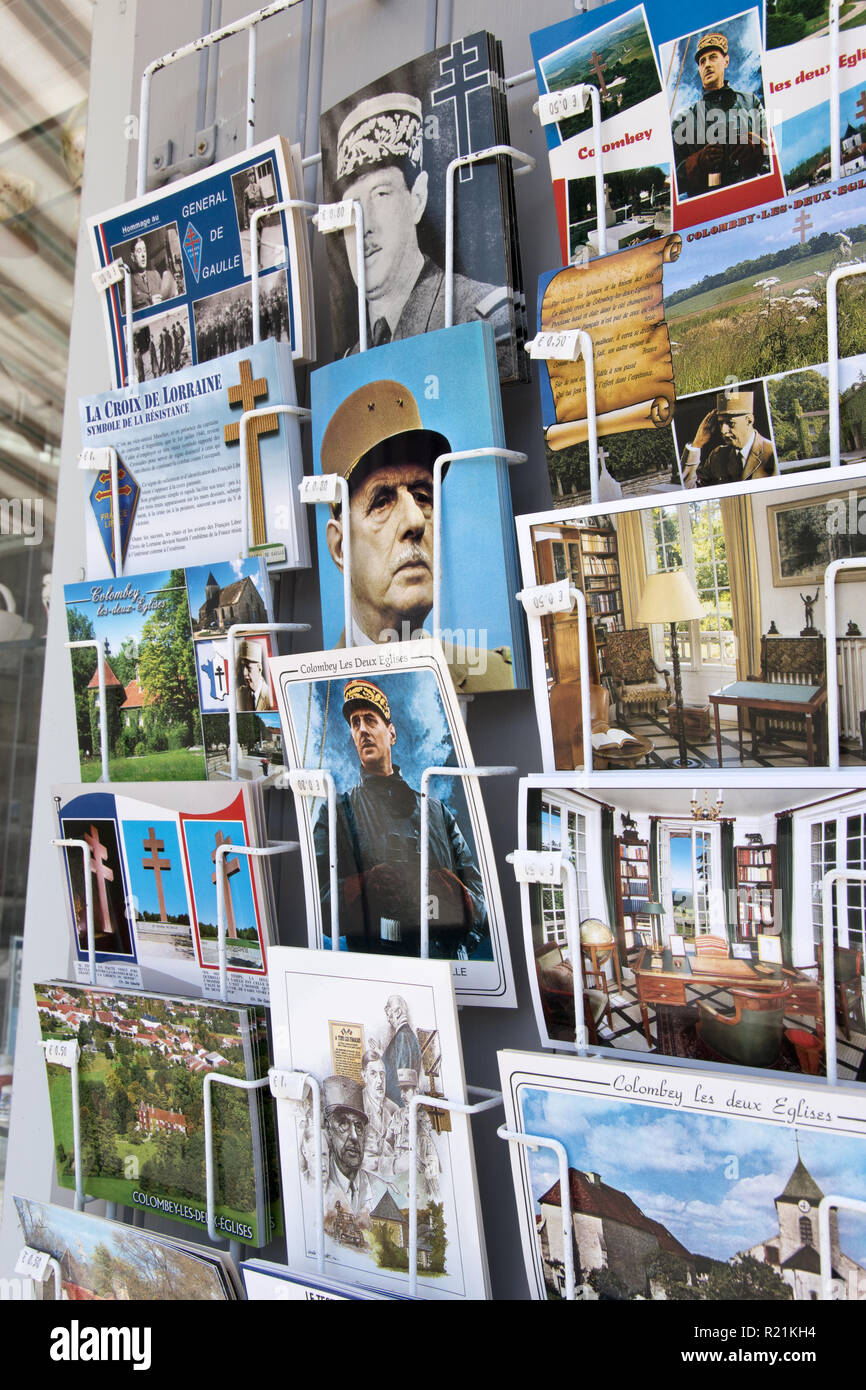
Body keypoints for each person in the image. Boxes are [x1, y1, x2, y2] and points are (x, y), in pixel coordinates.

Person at [320, 377, 514, 693]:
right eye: (381, 501)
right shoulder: (315, 699)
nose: (415, 521)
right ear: (341, 547)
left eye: (422, 496)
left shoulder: (497, 678)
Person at [313, 679, 488, 959]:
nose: (362, 731)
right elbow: (317, 904)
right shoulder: (337, 813)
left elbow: (483, 904)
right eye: (355, 724)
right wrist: (363, 887)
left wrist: (453, 893)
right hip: (378, 967)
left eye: (370, 720)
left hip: (446, 964)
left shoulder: (438, 813)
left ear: (391, 733)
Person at [332, 92, 511, 365]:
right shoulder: (352, 358)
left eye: (381, 194)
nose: (364, 226)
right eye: (352, 208)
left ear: (417, 199)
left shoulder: (483, 315)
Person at [672, 32, 769, 199]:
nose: (707, 65)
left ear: (726, 61)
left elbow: (773, 153)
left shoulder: (751, 103)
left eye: (713, 57)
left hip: (753, 194)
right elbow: (674, 180)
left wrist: (757, 148)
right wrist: (699, 162)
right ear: (699, 69)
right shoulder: (683, 119)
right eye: (702, 61)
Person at [321, 1074, 387, 1224]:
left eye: (358, 1126)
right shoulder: (316, 1184)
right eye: (343, 1124)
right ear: (329, 1129)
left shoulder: (380, 1189)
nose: (354, 1137)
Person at [680, 389, 777, 486]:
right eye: (720, 423)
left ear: (749, 421)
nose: (723, 431)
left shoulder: (772, 454)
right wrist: (697, 444)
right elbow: (689, 489)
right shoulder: (717, 456)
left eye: (731, 423)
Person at [360, 1046, 398, 1175]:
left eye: (382, 1074)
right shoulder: (356, 1106)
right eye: (373, 1074)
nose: (380, 1081)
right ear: (364, 1076)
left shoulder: (394, 1109)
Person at [128, 236, 177, 310]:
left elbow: (165, 297)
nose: (143, 255)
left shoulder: (155, 274)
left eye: (144, 251)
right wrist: (149, 304)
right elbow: (126, 314)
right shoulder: (128, 283)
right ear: (132, 257)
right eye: (139, 251)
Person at [235, 637, 273, 711]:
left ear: (259, 668)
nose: (244, 673)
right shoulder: (240, 694)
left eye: (249, 668)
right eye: (243, 667)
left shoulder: (271, 697)